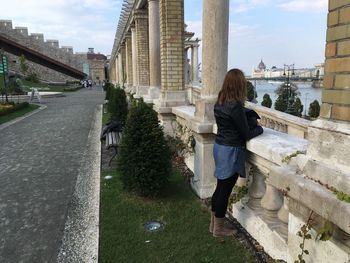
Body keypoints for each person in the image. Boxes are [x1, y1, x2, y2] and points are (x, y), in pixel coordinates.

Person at [210, 68, 263, 237]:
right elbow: (246, 134)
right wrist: (260, 129)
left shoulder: (220, 102)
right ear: (239, 85)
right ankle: (219, 228)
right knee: (224, 190)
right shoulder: (235, 107)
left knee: (220, 187)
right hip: (230, 151)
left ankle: (213, 225)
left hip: (219, 147)